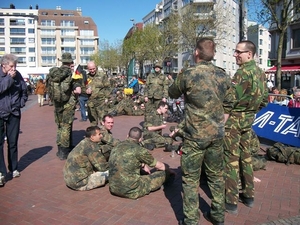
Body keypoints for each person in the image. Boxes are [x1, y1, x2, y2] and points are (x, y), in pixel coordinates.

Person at [168, 37, 234, 225]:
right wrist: (219, 123)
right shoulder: (222, 75)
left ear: (196, 52)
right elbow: (230, 103)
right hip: (216, 135)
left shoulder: (188, 74)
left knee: (190, 179)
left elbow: (172, 92)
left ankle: (190, 220)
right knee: (215, 176)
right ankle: (218, 215)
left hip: (195, 136)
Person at [223, 40, 268, 214]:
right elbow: (264, 100)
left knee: (231, 159)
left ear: (249, 54)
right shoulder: (260, 73)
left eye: (238, 52)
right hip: (248, 120)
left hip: (234, 121)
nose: (235, 55)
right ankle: (249, 195)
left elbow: (230, 100)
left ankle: (231, 201)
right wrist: (251, 111)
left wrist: (223, 121)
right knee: (246, 156)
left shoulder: (242, 73)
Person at [108, 126, 175, 199]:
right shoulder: (139, 150)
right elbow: (159, 166)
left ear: (127, 135)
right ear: (140, 139)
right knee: (164, 173)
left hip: (113, 188)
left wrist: (143, 165)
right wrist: (169, 170)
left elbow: (129, 160)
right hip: (131, 190)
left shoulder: (117, 146)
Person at [0, 54, 28, 186]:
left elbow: (24, 91)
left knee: (13, 142)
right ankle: (1, 171)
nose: (14, 68)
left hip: (14, 113)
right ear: (3, 65)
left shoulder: (18, 75)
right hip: (0, 113)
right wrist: (9, 79)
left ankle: (14, 167)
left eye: (15, 66)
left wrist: (20, 103)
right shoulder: (4, 76)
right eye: (11, 66)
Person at [50, 53, 81, 160]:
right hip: (68, 102)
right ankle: (64, 151)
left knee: (59, 126)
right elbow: (77, 88)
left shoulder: (54, 72)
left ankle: (60, 149)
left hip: (57, 103)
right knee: (66, 126)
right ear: (70, 62)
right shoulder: (70, 73)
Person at [63, 126, 109, 191]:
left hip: (69, 180)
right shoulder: (91, 147)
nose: (101, 136)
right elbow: (103, 167)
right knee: (111, 172)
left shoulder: (84, 142)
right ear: (92, 137)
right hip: (80, 183)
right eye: (99, 134)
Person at [86, 61, 112, 126]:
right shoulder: (86, 77)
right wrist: (86, 90)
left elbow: (108, 87)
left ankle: (104, 135)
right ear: (88, 69)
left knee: (103, 122)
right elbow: (82, 88)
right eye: (90, 69)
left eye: (93, 68)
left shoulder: (102, 75)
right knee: (93, 122)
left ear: (96, 67)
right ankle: (94, 135)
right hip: (91, 103)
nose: (92, 71)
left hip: (101, 103)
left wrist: (107, 97)